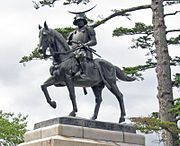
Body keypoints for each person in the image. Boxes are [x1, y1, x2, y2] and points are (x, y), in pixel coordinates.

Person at [67, 13, 97, 78]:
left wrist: (85, 44)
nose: (80, 22)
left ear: (84, 21)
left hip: (84, 50)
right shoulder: (72, 32)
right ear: (76, 22)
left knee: (81, 55)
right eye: (78, 21)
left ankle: (84, 73)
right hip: (73, 51)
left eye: (81, 21)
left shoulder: (89, 30)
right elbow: (68, 43)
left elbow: (94, 41)